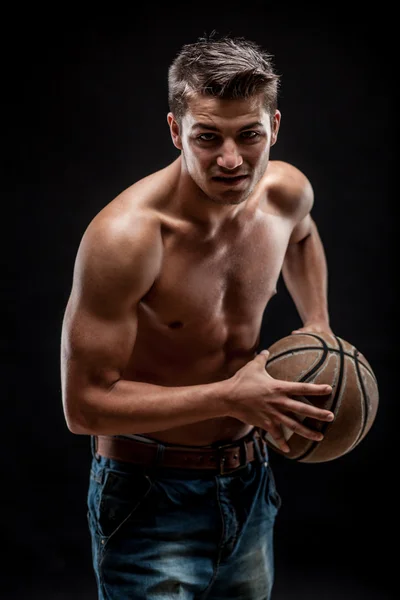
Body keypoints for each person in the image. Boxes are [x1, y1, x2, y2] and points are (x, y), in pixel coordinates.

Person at [61, 34, 335, 600]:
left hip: (250, 483)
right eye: (207, 138)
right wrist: (232, 396)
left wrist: (319, 325)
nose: (232, 159)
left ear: (274, 127)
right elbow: (83, 406)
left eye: (249, 135)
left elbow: (303, 236)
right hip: (147, 495)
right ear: (174, 131)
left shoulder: (286, 192)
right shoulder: (126, 238)